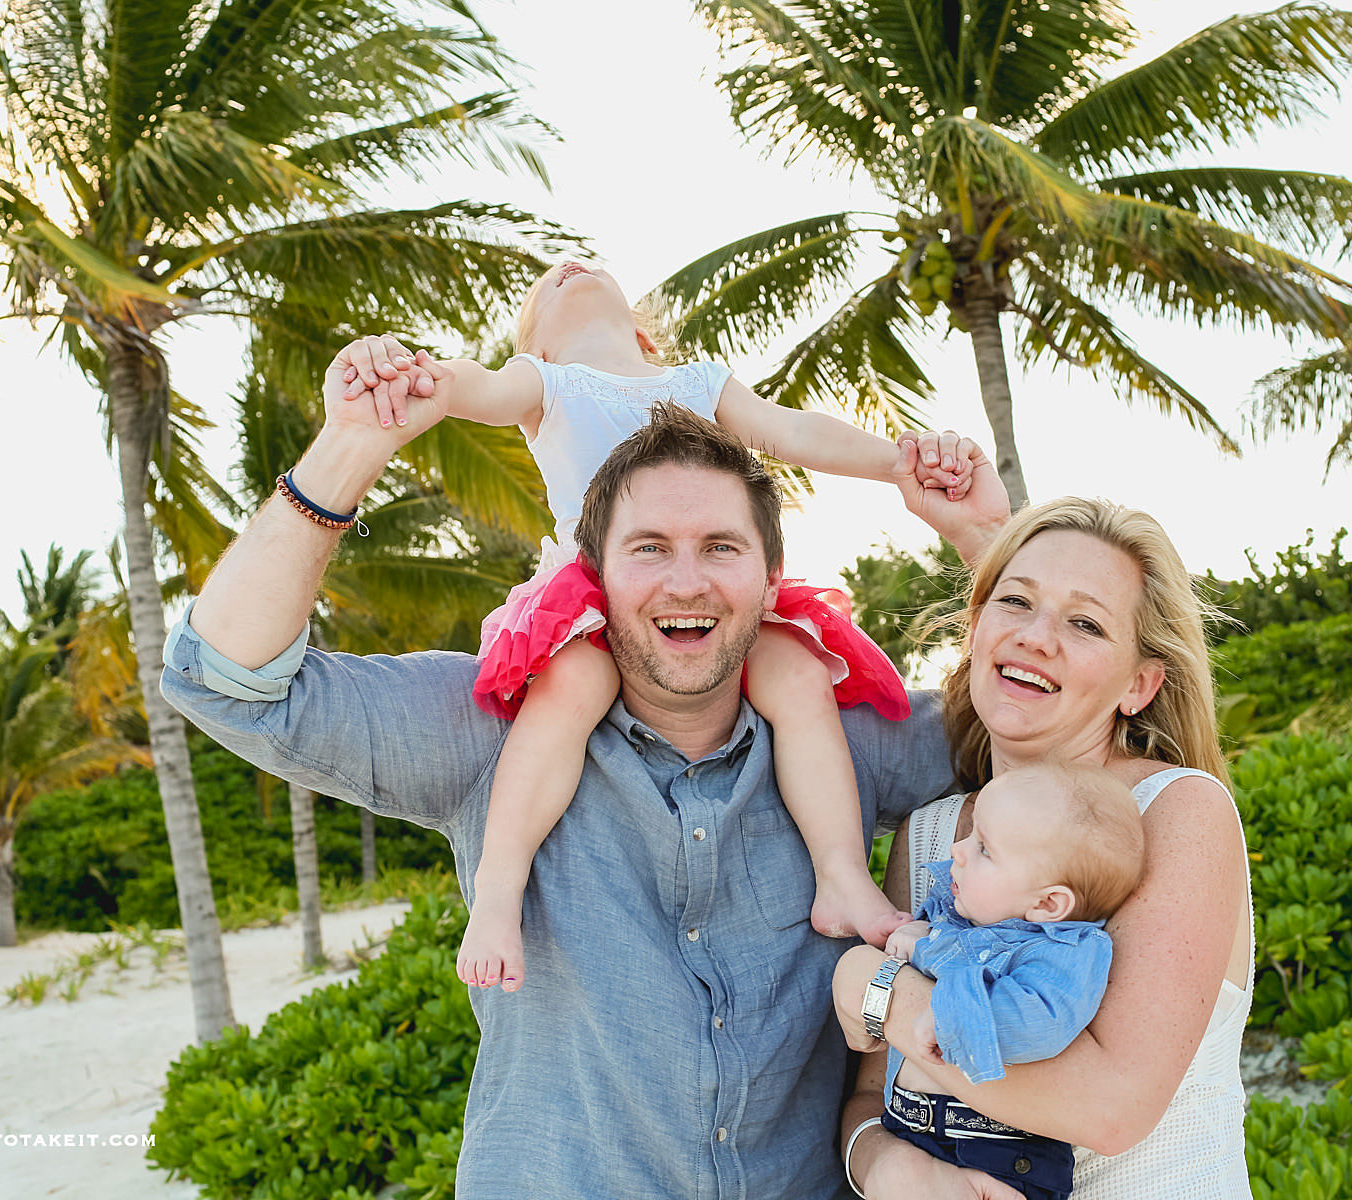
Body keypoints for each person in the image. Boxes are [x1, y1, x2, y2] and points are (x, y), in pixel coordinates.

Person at [160, 358, 1012, 1198]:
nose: (687, 581)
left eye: (721, 546)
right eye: (649, 549)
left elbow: (1041, 723)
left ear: (770, 579)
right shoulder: (492, 730)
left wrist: (983, 536)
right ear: (592, 579)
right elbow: (227, 680)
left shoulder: (843, 739)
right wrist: (348, 449)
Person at [335, 264, 969, 990]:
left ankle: (841, 875)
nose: (566, 268)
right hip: (595, 587)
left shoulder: (701, 382)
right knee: (571, 688)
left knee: (797, 673)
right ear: (536, 345)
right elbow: (470, 387)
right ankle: (500, 893)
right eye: (547, 287)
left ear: (642, 331)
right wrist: (415, 374)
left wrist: (900, 463)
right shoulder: (544, 382)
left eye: (582, 266)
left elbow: (791, 430)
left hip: (698, 577)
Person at [831, 497, 1254, 1199]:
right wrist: (886, 1165)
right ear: (978, 627)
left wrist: (870, 986)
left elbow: (1108, 1105)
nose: (1035, 636)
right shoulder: (932, 834)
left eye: (1084, 622)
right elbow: (874, 1092)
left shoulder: (1177, 811)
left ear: (1139, 684)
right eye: (1016, 601)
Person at [870, 761, 1145, 1200]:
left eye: (984, 849)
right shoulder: (962, 915)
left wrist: (945, 1012)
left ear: (1049, 903)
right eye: (971, 834)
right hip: (910, 1132)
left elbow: (1040, 1020)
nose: (958, 849)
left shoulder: (1064, 951)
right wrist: (917, 940)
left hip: (999, 1157)